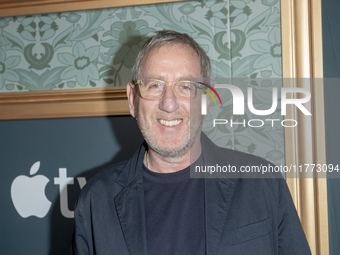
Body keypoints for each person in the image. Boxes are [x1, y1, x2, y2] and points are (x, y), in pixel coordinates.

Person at [72, 30, 311, 255]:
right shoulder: (96, 200)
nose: (169, 103)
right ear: (133, 98)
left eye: (185, 87)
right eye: (154, 85)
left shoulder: (261, 182)